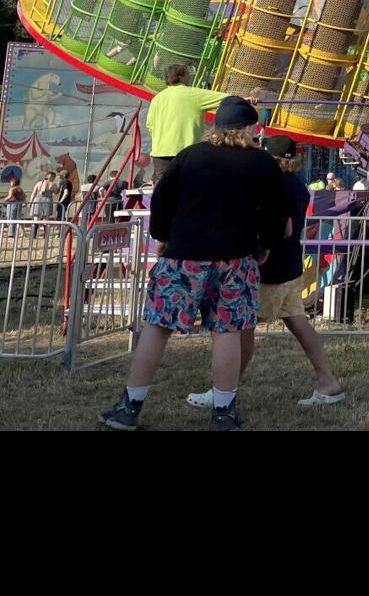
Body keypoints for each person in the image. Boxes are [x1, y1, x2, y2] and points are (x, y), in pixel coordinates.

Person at [99, 96, 287, 431]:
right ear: (249, 128)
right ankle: (223, 412)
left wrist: (162, 236)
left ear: (216, 125)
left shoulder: (189, 156)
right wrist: (265, 246)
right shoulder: (262, 163)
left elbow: (163, 202)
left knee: (158, 327)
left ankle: (129, 407)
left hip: (183, 255)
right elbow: (275, 214)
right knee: (226, 330)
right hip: (235, 258)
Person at [185, 135, 345, 409]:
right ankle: (328, 381)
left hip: (268, 268)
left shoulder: (272, 185)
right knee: (298, 322)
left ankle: (224, 390)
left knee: (240, 325)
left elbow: (282, 228)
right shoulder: (298, 185)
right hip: (290, 266)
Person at [147, 63, 231, 185]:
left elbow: (150, 128)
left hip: (160, 155)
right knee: (190, 191)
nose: (190, 77)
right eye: (187, 74)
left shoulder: (157, 99)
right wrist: (248, 99)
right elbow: (225, 98)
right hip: (188, 153)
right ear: (181, 77)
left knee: (164, 195)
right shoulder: (193, 94)